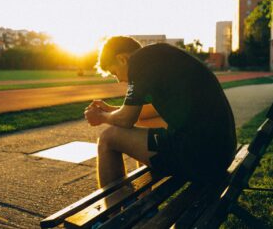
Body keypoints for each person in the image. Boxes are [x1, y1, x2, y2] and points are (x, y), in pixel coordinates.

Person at [84, 36, 237, 188]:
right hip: (221, 152)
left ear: (123, 59)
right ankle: (145, 204)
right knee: (144, 124)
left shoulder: (139, 62)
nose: (119, 80)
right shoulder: (159, 57)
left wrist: (101, 117)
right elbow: (144, 113)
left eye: (114, 72)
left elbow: (126, 120)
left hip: (201, 157)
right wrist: (111, 110)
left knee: (108, 138)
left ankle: (117, 211)